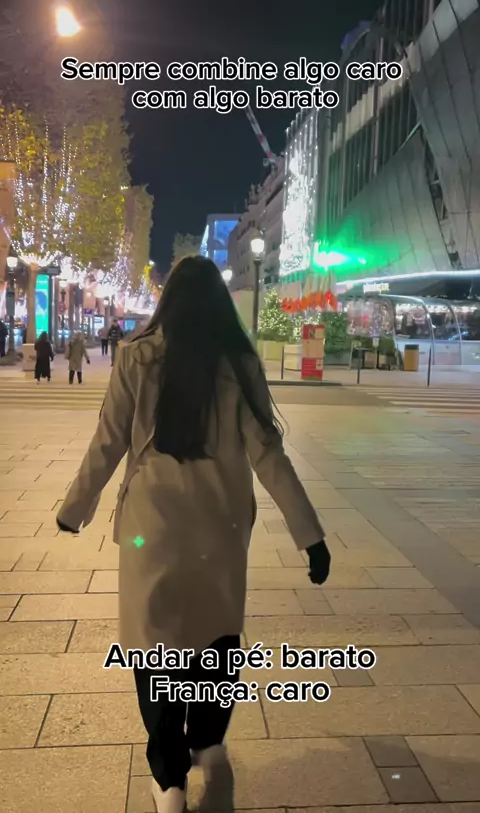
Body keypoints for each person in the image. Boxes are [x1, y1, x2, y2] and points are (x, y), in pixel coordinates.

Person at [55, 256, 331, 813]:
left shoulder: (136, 356)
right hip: (220, 530)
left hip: (150, 530)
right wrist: (310, 535)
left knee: (154, 650)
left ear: (169, 303)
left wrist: (74, 508)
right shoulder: (238, 362)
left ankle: (169, 782)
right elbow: (268, 453)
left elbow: (109, 440)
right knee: (217, 641)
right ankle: (207, 741)